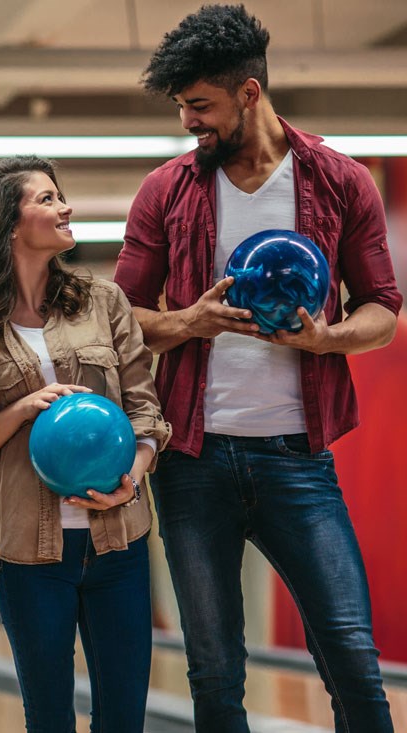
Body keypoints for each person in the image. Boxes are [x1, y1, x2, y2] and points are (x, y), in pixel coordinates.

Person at [113, 5, 402, 730]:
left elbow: (384, 309)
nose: (188, 122)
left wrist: (326, 339)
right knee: (214, 673)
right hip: (192, 462)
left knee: (351, 656)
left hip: (298, 462)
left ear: (250, 92)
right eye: (182, 107)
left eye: (200, 105)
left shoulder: (340, 182)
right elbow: (119, 319)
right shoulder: (166, 191)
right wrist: (190, 321)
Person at [0, 155, 171, 733]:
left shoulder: (103, 301)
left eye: (60, 196)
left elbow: (145, 412)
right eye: (46, 199)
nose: (64, 207)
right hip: (29, 554)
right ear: (5, 222)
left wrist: (134, 476)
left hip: (119, 542)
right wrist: (25, 407)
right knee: (48, 717)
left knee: (123, 718)